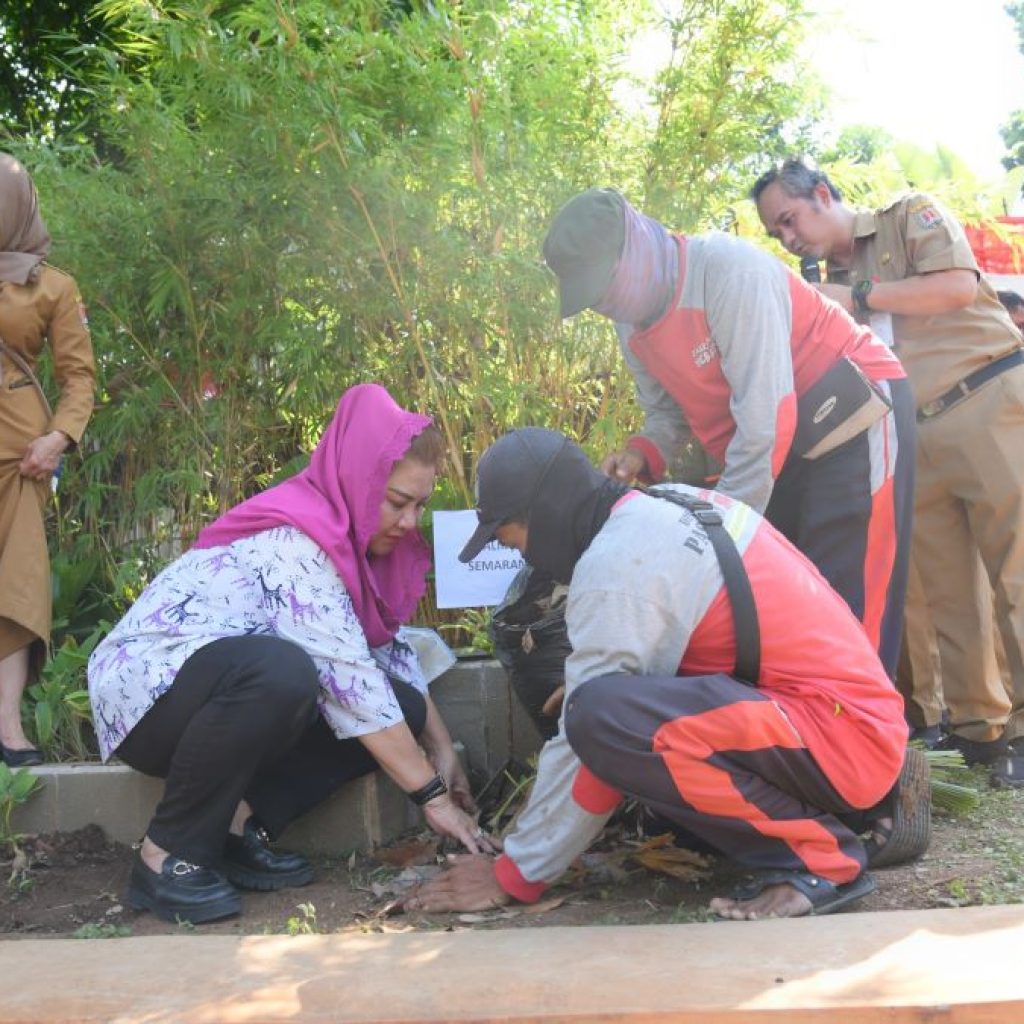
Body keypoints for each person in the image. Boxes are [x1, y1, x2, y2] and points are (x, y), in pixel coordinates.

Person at [404, 428, 928, 920]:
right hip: (852, 725)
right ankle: (860, 811)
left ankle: (821, 860)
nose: (517, 553)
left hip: (838, 740)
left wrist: (514, 873)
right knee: (609, 720)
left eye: (510, 537)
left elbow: (591, 743)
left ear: (546, 510)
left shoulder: (616, 566)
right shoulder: (664, 505)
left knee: (598, 717)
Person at [87, 383, 495, 925]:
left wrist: (440, 749)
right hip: (147, 698)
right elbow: (348, 681)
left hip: (223, 695)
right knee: (283, 673)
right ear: (358, 480)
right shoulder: (295, 541)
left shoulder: (354, 548)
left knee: (402, 707)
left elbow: (385, 662)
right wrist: (433, 798)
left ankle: (236, 830)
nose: (409, 522)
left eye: (420, 505)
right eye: (397, 502)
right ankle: (168, 855)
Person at [541, 188, 913, 679]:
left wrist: (722, 544)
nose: (603, 306)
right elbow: (666, 416)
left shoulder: (727, 270)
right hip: (779, 446)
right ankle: (807, 738)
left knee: (845, 597)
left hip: (852, 411)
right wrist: (640, 454)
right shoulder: (628, 322)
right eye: (590, 298)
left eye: (603, 286)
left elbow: (765, 420)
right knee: (785, 600)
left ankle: (870, 742)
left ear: (634, 245)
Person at [752, 159, 1024, 788]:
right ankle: (981, 726)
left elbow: (956, 287)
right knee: (946, 588)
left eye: (789, 220)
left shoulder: (908, 217)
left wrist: (858, 297)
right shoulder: (822, 281)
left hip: (986, 398)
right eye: (776, 233)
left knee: (1015, 570)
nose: (789, 239)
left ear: (823, 194)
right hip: (909, 430)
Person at [0, 152, 95, 767]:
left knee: (15, 585)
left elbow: (79, 378)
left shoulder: (53, 286)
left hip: (19, 460)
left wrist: (58, 438)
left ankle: (7, 728)